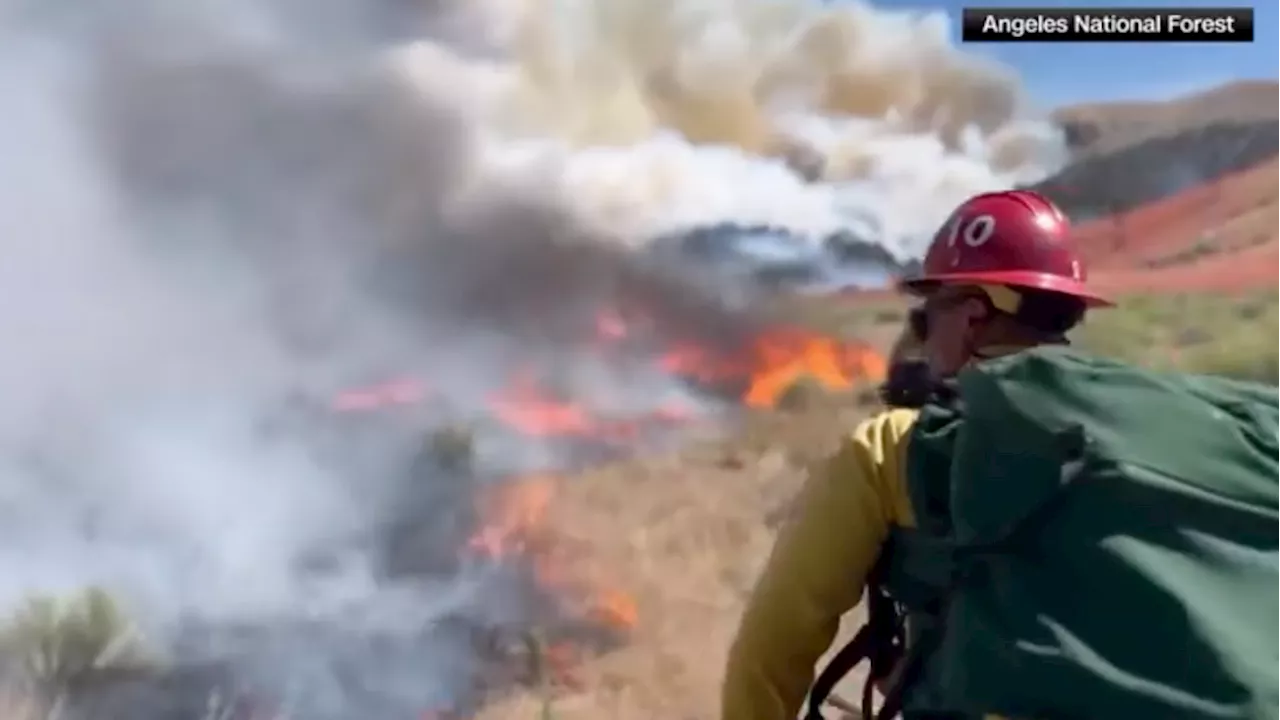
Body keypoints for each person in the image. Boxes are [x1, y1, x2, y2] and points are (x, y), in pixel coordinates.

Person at [719, 189, 1113, 720]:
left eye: (930, 315)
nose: (922, 336)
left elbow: (770, 652)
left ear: (972, 317)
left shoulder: (893, 450)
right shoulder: (1138, 438)